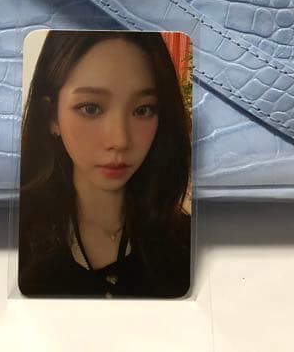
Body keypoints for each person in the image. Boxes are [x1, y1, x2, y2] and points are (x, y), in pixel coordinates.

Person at [18, 30, 192, 298]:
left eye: (142, 110)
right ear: (52, 116)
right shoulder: (13, 239)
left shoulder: (187, 243)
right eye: (91, 108)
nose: (120, 140)